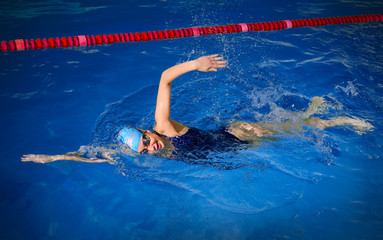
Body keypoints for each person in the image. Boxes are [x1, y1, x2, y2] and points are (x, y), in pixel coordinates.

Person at [21, 55, 373, 164]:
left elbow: (163, 79)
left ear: (148, 130)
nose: (150, 146)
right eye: (143, 148)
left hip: (240, 135)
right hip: (232, 143)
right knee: (297, 126)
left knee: (303, 130)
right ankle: (315, 108)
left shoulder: (165, 127)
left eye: (146, 139)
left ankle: (339, 118)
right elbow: (98, 155)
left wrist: (196, 64)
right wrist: (55, 159)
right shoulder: (144, 152)